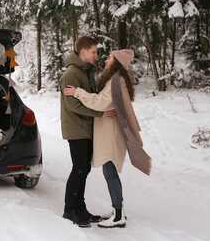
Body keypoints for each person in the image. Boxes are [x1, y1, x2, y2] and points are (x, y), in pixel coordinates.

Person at [63, 49, 152, 228]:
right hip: (109, 131)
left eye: (111, 57)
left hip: (111, 133)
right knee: (108, 170)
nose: (106, 59)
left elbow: (99, 102)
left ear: (117, 62)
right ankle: (116, 211)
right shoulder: (117, 79)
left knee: (109, 171)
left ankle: (118, 214)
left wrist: (77, 92)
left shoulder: (115, 80)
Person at [59, 36, 116, 228]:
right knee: (80, 168)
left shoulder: (85, 72)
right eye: (93, 51)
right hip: (76, 129)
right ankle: (69, 210)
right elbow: (73, 104)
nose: (96, 55)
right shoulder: (71, 74)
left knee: (84, 169)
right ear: (82, 52)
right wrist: (100, 113)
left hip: (86, 129)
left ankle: (80, 208)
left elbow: (92, 97)